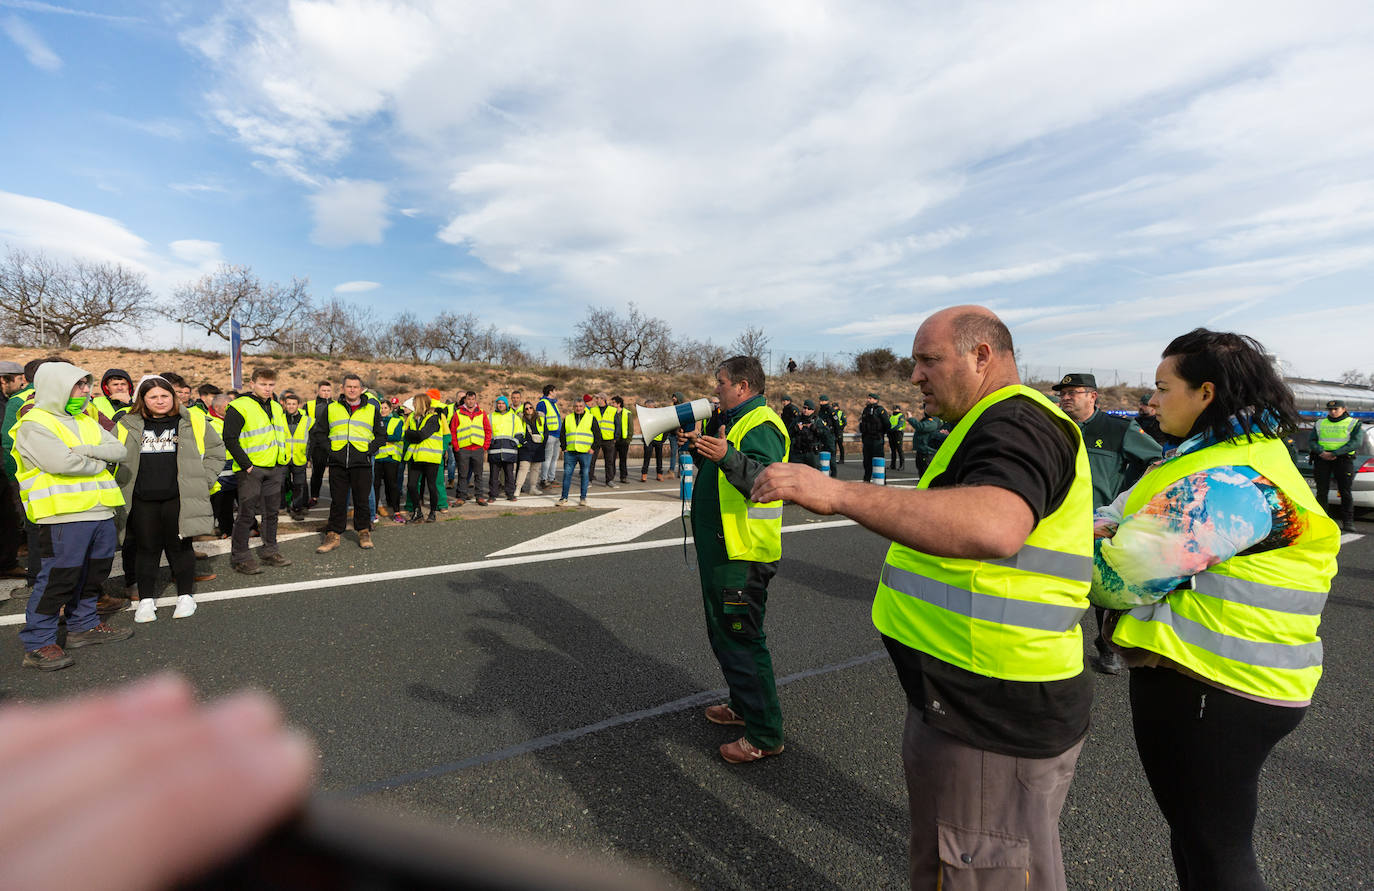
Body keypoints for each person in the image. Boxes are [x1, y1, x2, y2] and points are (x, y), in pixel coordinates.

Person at [752, 306, 1094, 889]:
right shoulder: (992, 419)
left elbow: (993, 524)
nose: (914, 375)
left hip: (990, 706)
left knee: (983, 870)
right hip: (965, 693)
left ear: (982, 355)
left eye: (928, 359)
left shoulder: (1017, 420)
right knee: (961, 862)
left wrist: (838, 493)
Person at [1091, 328, 1340, 891]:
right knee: (1196, 839)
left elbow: (1116, 577)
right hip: (1210, 678)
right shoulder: (1199, 459)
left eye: (1161, 388)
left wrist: (1102, 536)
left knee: (1216, 850)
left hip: (1218, 685)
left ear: (1206, 393)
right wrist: (1112, 528)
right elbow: (1112, 514)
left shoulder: (1234, 480)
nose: (1150, 402)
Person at [680, 356, 790, 764]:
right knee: (725, 633)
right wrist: (701, 451)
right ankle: (743, 707)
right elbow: (721, 472)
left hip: (742, 553)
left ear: (743, 386)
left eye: (722, 383)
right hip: (725, 549)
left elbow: (763, 479)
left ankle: (764, 734)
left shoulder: (761, 423)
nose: (717, 390)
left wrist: (725, 455)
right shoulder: (733, 421)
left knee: (741, 638)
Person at [15, 362, 134, 671]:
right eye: (79, 385)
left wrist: (83, 450)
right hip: (62, 516)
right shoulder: (34, 422)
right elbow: (61, 463)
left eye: (86, 384)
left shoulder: (84, 419)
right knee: (58, 579)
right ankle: (38, 643)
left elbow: (119, 451)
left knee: (95, 573)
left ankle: (84, 625)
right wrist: (98, 458)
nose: (86, 391)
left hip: (100, 511)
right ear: (57, 386)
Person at [1054, 372, 1163, 675]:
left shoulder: (1117, 429)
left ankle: (1109, 648)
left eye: (1072, 392)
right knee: (1054, 583)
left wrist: (1129, 498)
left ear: (1092, 396)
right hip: (1055, 521)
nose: (1064, 398)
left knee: (1104, 587)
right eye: (1062, 393)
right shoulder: (1054, 427)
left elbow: (1156, 460)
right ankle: (1052, 643)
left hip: (1096, 523)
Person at [114, 376, 225, 623]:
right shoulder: (126, 424)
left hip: (179, 498)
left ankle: (185, 596)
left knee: (180, 547)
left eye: (165, 395)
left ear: (173, 397)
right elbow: (111, 456)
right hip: (142, 499)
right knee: (146, 549)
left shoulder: (192, 420)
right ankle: (145, 600)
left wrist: (201, 481)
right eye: (153, 396)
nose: (160, 401)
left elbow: (217, 452)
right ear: (142, 400)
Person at [223, 367, 291, 575]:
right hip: (251, 470)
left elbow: (282, 433)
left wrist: (284, 460)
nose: (267, 388)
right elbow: (230, 438)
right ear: (252, 384)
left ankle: (270, 550)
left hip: (275, 467)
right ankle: (241, 557)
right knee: (246, 514)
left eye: (271, 385)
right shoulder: (238, 406)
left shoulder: (277, 407)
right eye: (263, 384)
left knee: (271, 513)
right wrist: (246, 465)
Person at [314, 373, 383, 553]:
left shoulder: (371, 409)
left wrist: (368, 451)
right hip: (338, 462)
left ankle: (363, 531)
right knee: (337, 500)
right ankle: (333, 534)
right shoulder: (331, 408)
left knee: (362, 500)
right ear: (342, 389)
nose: (352, 389)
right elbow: (319, 433)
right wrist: (331, 451)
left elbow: (381, 436)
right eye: (349, 386)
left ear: (361, 390)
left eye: (355, 387)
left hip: (362, 462)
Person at [1309, 398, 1362, 533]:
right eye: (1330, 409)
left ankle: (1348, 522)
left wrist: (1335, 453)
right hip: (1322, 460)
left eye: (1335, 409)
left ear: (1343, 409)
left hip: (1343, 460)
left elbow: (1355, 443)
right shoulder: (1320, 423)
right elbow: (1312, 441)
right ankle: (1322, 520)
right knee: (1322, 492)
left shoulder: (1353, 423)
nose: (1332, 412)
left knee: (1345, 492)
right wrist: (1321, 452)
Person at [403, 393, 444, 522]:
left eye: (415, 402)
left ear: (420, 403)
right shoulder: (414, 417)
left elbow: (422, 435)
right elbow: (406, 434)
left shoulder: (433, 418)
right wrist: (410, 434)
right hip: (416, 456)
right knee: (411, 485)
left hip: (431, 457)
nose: (413, 404)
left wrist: (410, 434)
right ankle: (417, 511)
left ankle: (432, 512)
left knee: (431, 486)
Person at [557, 397, 600, 507]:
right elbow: (562, 434)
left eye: (580, 406)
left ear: (584, 407)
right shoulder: (568, 418)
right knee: (567, 474)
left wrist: (593, 448)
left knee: (585, 475)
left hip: (585, 452)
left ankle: (583, 498)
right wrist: (564, 447)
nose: (578, 408)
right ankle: (564, 497)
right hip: (570, 452)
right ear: (573, 407)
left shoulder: (591, 418)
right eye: (576, 406)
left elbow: (598, 435)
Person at [451, 390, 491, 507]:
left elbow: (488, 430)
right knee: (463, 474)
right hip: (463, 449)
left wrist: (485, 446)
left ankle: (479, 496)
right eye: (468, 399)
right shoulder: (458, 413)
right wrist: (456, 447)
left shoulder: (482, 413)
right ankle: (461, 497)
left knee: (478, 474)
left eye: (473, 399)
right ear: (465, 400)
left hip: (478, 448)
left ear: (475, 400)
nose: (471, 401)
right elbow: (453, 431)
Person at [279, 391, 310, 522]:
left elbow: (311, 442)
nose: (291, 406)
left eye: (294, 404)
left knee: (298, 485)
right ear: (285, 405)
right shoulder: (279, 420)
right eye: (289, 404)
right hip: (283, 458)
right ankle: (281, 507)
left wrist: (308, 458)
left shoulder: (307, 421)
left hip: (299, 458)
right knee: (280, 484)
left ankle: (297, 508)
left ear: (299, 405)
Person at [487, 395, 525, 502]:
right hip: (494, 451)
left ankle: (510, 494)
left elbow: (520, 433)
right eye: (498, 403)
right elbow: (487, 432)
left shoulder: (514, 417)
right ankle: (492, 495)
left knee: (509, 475)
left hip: (509, 451)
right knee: (493, 476)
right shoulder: (490, 416)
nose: (500, 405)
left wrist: (514, 443)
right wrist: (490, 443)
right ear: (496, 404)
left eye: (502, 403)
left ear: (506, 405)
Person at [374, 398, 405, 522]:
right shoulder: (374, 421)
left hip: (391, 459)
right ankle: (374, 512)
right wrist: (386, 438)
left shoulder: (397, 421)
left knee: (392, 485)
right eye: (381, 408)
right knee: (375, 486)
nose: (383, 410)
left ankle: (396, 512)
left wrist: (381, 438)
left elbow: (396, 436)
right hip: (377, 458)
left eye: (385, 408)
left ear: (391, 409)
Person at [304, 380, 333, 505]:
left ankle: (338, 497)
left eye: (328, 391)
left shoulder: (336, 405)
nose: (326, 393)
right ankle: (314, 497)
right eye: (323, 390)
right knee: (317, 472)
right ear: (318, 391)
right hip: (316, 444)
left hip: (333, 443)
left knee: (336, 474)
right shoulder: (309, 405)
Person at [515, 400, 545, 495]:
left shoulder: (541, 418)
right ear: (524, 410)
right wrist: (524, 442)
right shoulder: (520, 419)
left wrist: (543, 444)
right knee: (523, 468)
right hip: (525, 448)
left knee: (535, 469)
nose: (529, 410)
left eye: (530, 407)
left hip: (538, 447)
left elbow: (546, 432)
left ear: (533, 408)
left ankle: (533, 488)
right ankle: (518, 488)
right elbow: (518, 432)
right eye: (526, 408)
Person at [536, 384, 562, 493]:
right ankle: (543, 480)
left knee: (554, 458)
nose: (556, 392)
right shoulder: (542, 403)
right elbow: (539, 420)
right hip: (549, 435)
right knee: (547, 458)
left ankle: (551, 478)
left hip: (557, 435)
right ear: (550, 392)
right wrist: (544, 434)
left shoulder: (553, 404)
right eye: (555, 390)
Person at [857, 392, 888, 482]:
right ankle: (866, 480)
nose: (868, 400)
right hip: (867, 439)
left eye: (870, 398)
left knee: (878, 461)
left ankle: (882, 481)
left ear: (876, 400)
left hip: (877, 439)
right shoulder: (866, 410)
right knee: (867, 461)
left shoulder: (880, 410)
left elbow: (887, 424)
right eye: (868, 398)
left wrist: (881, 434)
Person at [906, 400, 942, 476]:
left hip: (927, 452)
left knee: (925, 473)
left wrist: (910, 418)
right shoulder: (928, 419)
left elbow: (921, 427)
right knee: (921, 471)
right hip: (922, 451)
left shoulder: (933, 421)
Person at [639, 399, 666, 481]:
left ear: (652, 406)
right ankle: (644, 475)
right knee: (646, 458)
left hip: (658, 440)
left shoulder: (660, 414)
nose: (646, 408)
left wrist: (663, 439)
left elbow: (666, 427)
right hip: (649, 439)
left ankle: (659, 475)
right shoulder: (645, 415)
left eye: (646, 406)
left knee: (659, 458)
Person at [612, 395, 633, 483]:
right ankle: (611, 477)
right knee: (611, 460)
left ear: (618, 403)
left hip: (623, 441)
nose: (612, 404)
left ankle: (623, 477)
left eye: (613, 403)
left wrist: (628, 440)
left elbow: (630, 427)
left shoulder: (627, 413)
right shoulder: (611, 412)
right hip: (613, 440)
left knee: (623, 460)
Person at [887, 404, 907, 470]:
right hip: (891, 434)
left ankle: (902, 465)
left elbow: (899, 425)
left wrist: (891, 430)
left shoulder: (901, 416)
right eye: (894, 408)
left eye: (896, 409)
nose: (895, 410)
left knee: (899, 450)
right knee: (892, 450)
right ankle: (893, 465)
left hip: (898, 434)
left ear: (899, 410)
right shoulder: (891, 416)